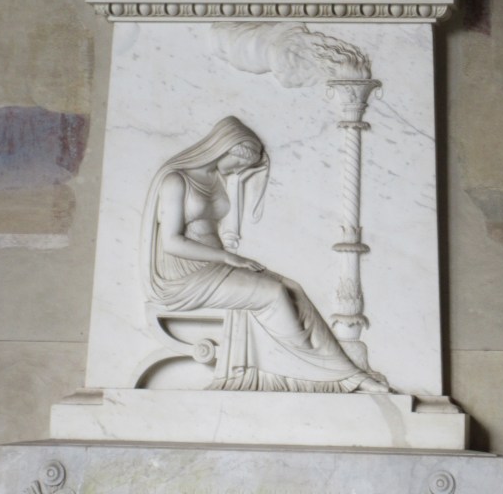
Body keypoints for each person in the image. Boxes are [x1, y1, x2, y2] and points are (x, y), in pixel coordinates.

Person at [141, 116, 388, 393]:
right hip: (185, 272)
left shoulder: (217, 179)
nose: (238, 170)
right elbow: (172, 242)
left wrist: (248, 172)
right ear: (222, 147)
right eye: (238, 163)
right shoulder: (176, 180)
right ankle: (313, 371)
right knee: (274, 294)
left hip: (215, 265)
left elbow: (240, 190)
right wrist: (227, 257)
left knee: (293, 289)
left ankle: (346, 372)